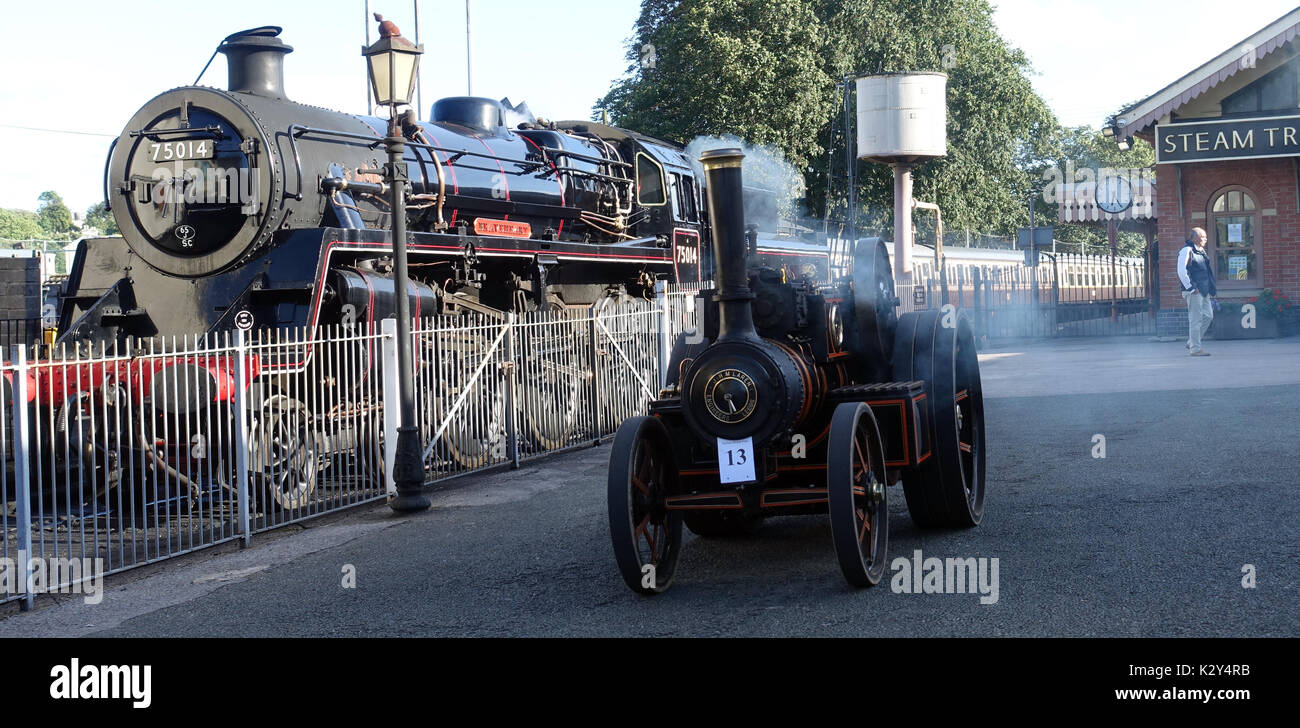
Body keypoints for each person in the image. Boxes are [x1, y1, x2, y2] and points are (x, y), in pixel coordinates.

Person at [1177, 227, 1216, 356]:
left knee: (1208, 316)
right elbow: (1182, 270)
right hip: (1194, 290)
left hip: (1203, 290)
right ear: (1194, 237)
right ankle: (1195, 349)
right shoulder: (1187, 250)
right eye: (1202, 236)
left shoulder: (1201, 251)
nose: (1205, 239)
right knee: (1195, 320)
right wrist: (1191, 288)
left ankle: (1192, 341)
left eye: (1205, 236)